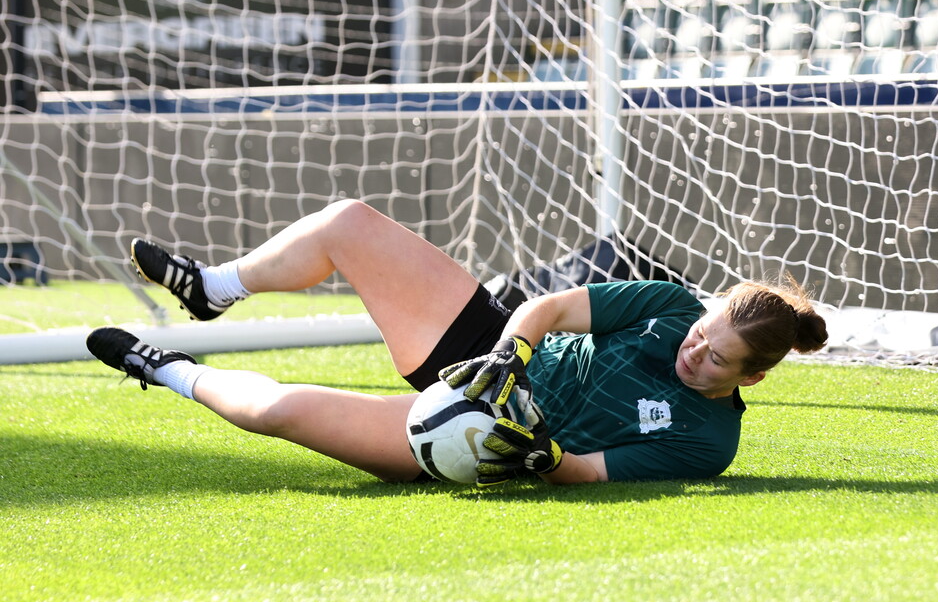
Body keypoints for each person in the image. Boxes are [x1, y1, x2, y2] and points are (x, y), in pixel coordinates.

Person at [86, 199, 829, 486]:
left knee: (274, 412)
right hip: (488, 350)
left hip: (487, 437)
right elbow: (548, 307)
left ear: (751, 379)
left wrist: (537, 453)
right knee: (349, 223)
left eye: (716, 359)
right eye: (703, 334)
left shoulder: (708, 443)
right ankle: (214, 288)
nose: (695, 350)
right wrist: (509, 354)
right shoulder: (669, 306)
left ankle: (166, 368)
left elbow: (591, 474)